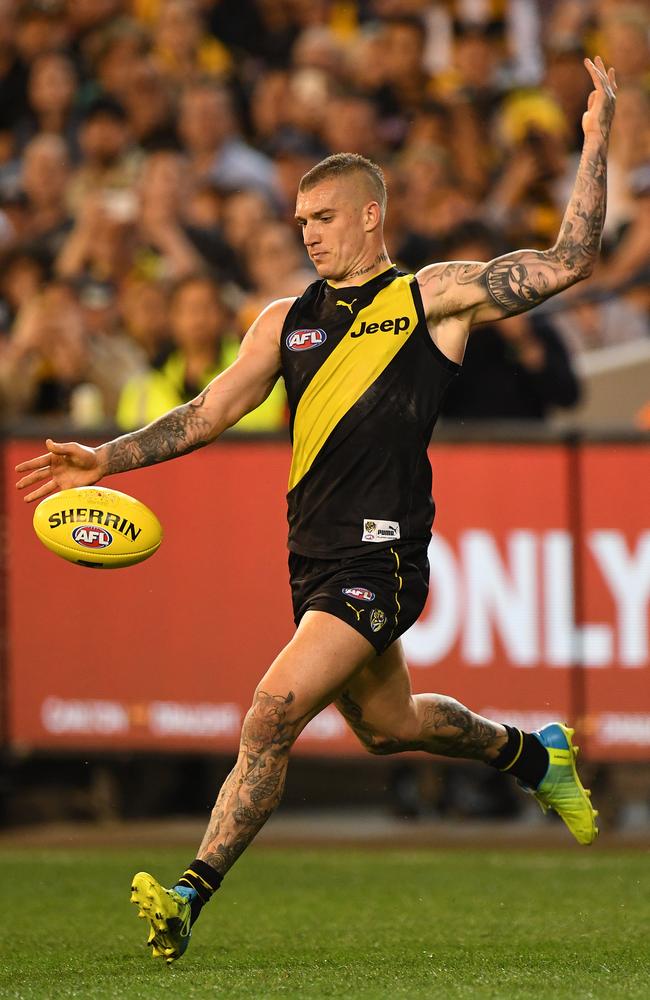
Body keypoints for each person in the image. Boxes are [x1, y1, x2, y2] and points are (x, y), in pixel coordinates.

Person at [16, 57, 616, 966]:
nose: (309, 235)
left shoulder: (428, 299)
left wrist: (597, 139)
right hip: (314, 558)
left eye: (324, 219)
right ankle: (534, 756)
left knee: (271, 710)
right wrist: (104, 457)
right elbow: (206, 414)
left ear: (371, 215)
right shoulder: (281, 321)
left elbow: (571, 261)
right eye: (300, 223)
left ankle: (189, 891)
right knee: (391, 729)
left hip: (384, 558)